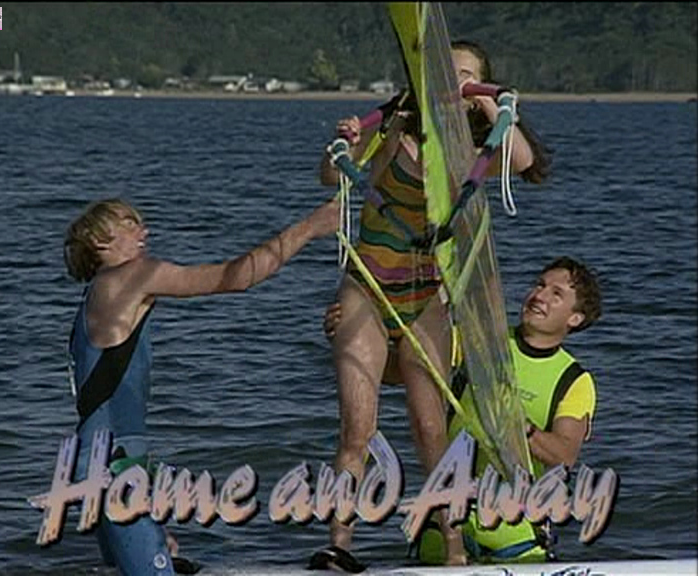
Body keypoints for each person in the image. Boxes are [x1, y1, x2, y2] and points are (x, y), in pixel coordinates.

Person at [309, 40, 551, 572]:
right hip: (368, 287)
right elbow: (332, 174)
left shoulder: (474, 148)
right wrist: (346, 139)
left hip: (427, 297)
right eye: (446, 71)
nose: (453, 81)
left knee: (430, 432)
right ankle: (339, 546)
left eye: (466, 75)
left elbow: (524, 160)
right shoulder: (396, 122)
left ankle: (454, 550)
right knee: (356, 429)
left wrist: (489, 101)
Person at [63, 195, 339, 576]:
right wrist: (310, 228)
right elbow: (237, 277)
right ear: (99, 241)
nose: (144, 231)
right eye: (129, 224)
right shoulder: (133, 275)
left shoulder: (96, 294)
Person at [321, 256, 602, 566]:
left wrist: (520, 427)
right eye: (540, 285)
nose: (539, 295)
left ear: (575, 318)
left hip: (516, 541)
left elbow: (564, 455)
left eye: (556, 294)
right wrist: (350, 339)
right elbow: (398, 372)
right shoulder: (476, 340)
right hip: (441, 532)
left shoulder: (574, 380)